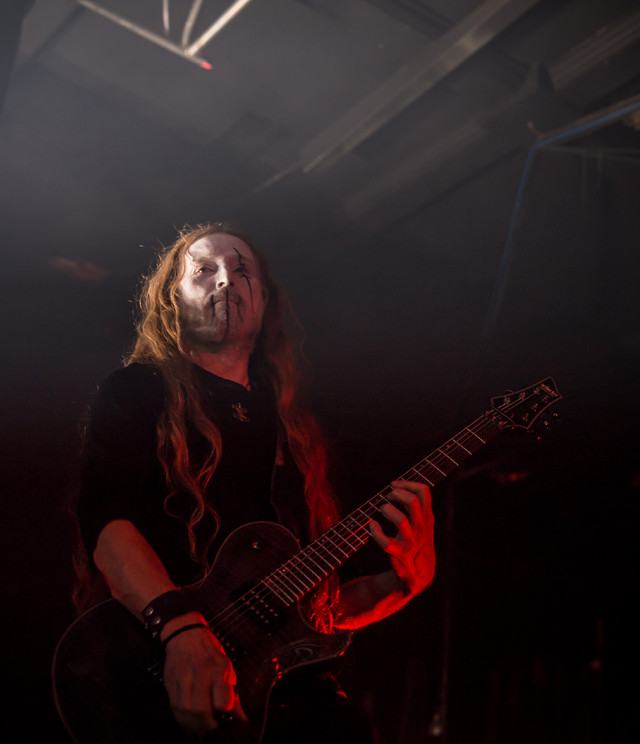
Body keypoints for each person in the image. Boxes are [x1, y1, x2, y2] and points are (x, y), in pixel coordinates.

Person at [76, 223, 435, 742]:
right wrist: (180, 628)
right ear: (173, 298)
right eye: (205, 270)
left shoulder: (295, 430)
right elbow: (106, 520)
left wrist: (402, 584)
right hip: (156, 675)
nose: (226, 280)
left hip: (295, 697)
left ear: (263, 303)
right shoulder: (138, 389)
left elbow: (318, 612)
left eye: (242, 270)